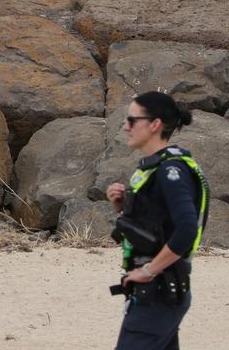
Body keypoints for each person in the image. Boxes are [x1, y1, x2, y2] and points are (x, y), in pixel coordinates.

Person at [106, 91, 210, 350]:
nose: (125, 126)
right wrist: (122, 208)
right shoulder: (158, 168)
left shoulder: (170, 171)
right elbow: (158, 227)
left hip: (159, 294)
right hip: (158, 294)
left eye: (132, 120)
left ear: (154, 125)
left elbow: (186, 230)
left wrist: (148, 271)